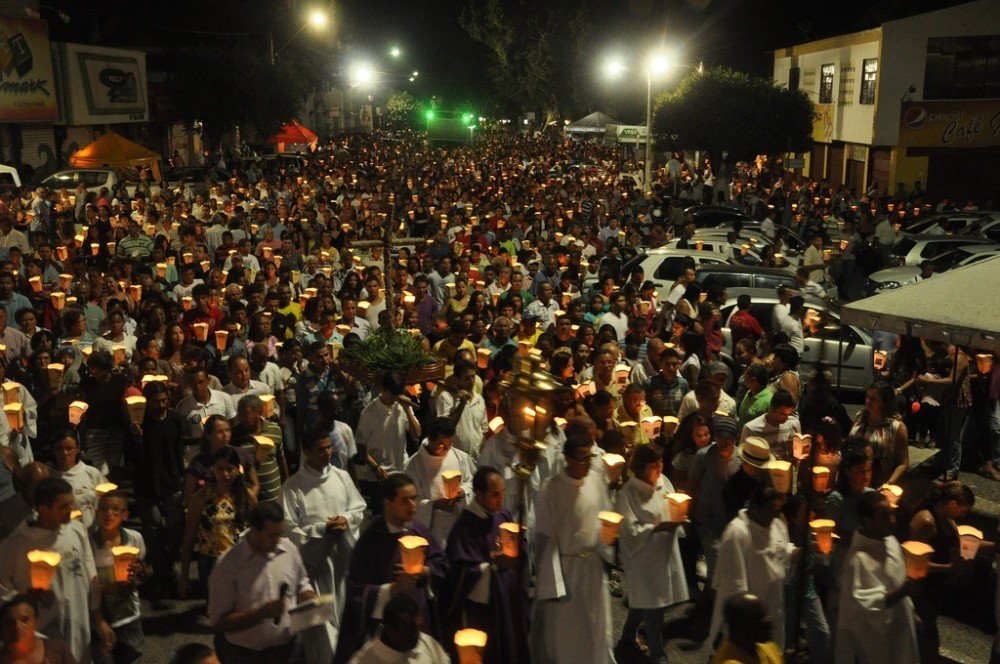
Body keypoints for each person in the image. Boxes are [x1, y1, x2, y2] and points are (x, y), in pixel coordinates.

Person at [334, 474, 448, 663]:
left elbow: (442, 563)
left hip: (419, 622)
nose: (413, 505)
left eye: (415, 498)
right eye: (405, 500)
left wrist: (426, 571)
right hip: (388, 632)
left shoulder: (418, 530)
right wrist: (394, 589)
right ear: (388, 503)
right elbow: (357, 594)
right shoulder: (370, 540)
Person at [0, 477, 114, 663]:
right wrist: (24, 598)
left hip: (79, 629)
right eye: (64, 506)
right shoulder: (14, 545)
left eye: (72, 503)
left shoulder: (77, 530)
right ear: (44, 509)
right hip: (42, 641)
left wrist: (100, 621)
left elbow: (89, 575)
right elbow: (2, 591)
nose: (72, 510)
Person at [279, 429, 367, 664]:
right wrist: (320, 530)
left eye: (329, 447)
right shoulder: (293, 486)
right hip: (312, 569)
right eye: (321, 449)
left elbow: (358, 507)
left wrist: (346, 520)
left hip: (342, 564)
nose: (328, 453)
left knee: (345, 619)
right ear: (307, 452)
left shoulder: (342, 477)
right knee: (318, 631)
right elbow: (288, 528)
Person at [532, 437, 615, 664]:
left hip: (593, 567)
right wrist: (551, 582)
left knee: (595, 625)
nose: (587, 464)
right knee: (568, 631)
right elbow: (544, 537)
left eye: (590, 458)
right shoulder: (552, 488)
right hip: (566, 571)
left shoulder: (596, 481)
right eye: (582, 459)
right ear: (567, 459)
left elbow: (604, 515)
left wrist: (608, 538)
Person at [208, 502, 317, 663]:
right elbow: (218, 623)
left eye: (280, 534)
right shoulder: (228, 565)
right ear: (254, 530)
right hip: (246, 656)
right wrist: (261, 613)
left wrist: (307, 594)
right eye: (272, 535)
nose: (277, 540)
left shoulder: (289, 550)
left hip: (289, 649)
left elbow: (301, 581)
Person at [442, 466, 529, 664]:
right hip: (486, 609)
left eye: (503, 493)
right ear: (479, 494)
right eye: (495, 494)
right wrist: (492, 566)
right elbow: (459, 572)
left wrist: (518, 549)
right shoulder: (465, 526)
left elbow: (520, 548)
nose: (501, 498)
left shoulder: (503, 514)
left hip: (508, 598)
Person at [615, 445, 687, 664]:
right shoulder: (629, 493)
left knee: (644, 601)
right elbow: (628, 530)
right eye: (653, 465)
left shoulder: (662, 482)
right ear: (639, 468)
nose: (659, 467)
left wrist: (679, 513)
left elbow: (672, 504)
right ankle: (658, 655)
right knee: (654, 606)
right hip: (643, 559)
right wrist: (656, 528)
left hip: (664, 554)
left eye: (660, 462)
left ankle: (627, 636)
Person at [834, 491, 919, 664]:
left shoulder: (891, 542)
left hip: (898, 632)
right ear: (867, 521)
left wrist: (911, 612)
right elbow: (868, 603)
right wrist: (904, 591)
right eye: (885, 516)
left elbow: (897, 579)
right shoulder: (859, 559)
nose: (892, 520)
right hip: (871, 644)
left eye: (892, 514)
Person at [709, 482, 795, 652]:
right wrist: (751, 616)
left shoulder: (777, 525)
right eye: (770, 510)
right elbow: (735, 584)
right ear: (755, 507)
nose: (774, 515)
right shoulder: (737, 532)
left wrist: (799, 553)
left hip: (773, 606)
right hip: (748, 616)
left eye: (776, 510)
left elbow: (783, 554)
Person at [89, 491, 146, 664]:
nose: (109, 514)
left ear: (125, 514)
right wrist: (107, 588)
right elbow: (85, 584)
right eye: (104, 509)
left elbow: (143, 568)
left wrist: (139, 571)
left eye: (115, 509)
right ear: (97, 512)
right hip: (100, 619)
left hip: (128, 614)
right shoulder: (89, 543)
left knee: (131, 656)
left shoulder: (134, 538)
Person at [403, 417, 476, 548]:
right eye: (441, 444)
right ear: (430, 439)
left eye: (450, 444)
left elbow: (473, 483)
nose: (447, 449)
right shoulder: (414, 465)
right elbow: (410, 502)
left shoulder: (460, 458)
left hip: (458, 524)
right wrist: (434, 505)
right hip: (433, 528)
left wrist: (463, 491)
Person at [347, 595, 449, 664]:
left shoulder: (425, 642)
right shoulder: (363, 661)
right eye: (410, 630)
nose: (418, 635)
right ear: (390, 630)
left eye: (420, 627)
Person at [356, 372, 421, 476]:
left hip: (402, 469)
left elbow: (416, 434)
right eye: (392, 394)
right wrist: (375, 467)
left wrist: (407, 410)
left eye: (398, 394)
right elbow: (360, 446)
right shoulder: (369, 412)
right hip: (380, 473)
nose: (396, 398)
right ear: (382, 389)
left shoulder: (403, 406)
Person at [850, 383, 909, 487]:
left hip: (879, 484)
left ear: (885, 403)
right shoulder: (861, 418)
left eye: (874, 399)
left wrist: (888, 484)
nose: (868, 401)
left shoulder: (896, 428)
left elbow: (903, 463)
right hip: (854, 483)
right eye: (867, 397)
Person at [0, 594, 78, 664]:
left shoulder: (58, 649)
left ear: (35, 622)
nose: (17, 626)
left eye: (24, 620)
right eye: (9, 622)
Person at [711, 593, 783, 664]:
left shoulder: (765, 645)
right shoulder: (730, 661)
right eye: (762, 622)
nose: (769, 625)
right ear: (742, 628)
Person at [739, 389, 800, 462]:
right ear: (772, 409)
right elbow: (742, 458)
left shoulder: (793, 423)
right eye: (783, 414)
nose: (786, 418)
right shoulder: (751, 429)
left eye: (789, 414)